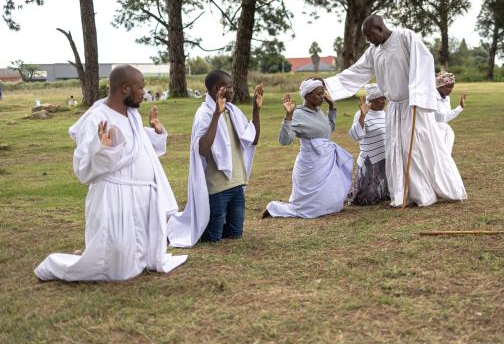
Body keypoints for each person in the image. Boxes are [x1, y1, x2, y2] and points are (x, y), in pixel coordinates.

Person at [34, 65, 187, 281]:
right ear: (125, 88)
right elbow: (83, 168)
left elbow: (136, 144)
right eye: (140, 88)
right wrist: (102, 149)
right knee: (116, 267)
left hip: (142, 195)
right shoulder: (97, 118)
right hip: (115, 195)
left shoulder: (131, 114)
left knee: (139, 254)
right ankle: (57, 266)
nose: (144, 92)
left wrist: (156, 131)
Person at [324, 14, 466, 207]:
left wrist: (418, 95)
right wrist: (327, 85)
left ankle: (427, 192)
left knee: (416, 148)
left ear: (380, 29)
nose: (368, 40)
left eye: (369, 35)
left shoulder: (405, 37)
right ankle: (404, 193)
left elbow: (424, 61)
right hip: (394, 108)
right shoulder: (374, 51)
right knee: (397, 150)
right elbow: (356, 72)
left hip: (414, 105)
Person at [167, 71, 263, 247]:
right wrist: (216, 116)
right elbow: (202, 149)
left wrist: (256, 111)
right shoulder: (204, 114)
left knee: (235, 234)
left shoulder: (233, 111)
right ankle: (195, 226)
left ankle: (208, 223)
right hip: (217, 188)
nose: (233, 90)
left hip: (236, 184)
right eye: (230, 86)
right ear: (218, 89)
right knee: (213, 238)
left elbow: (253, 139)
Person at [264, 78, 353, 219]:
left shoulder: (318, 111)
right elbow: (285, 141)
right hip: (310, 164)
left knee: (329, 203)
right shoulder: (298, 114)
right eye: (318, 94)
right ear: (307, 95)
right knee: (308, 209)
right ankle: (274, 208)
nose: (322, 97)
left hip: (325, 160)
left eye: (323, 93)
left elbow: (328, 130)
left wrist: (332, 107)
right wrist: (288, 115)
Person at [347, 83, 389, 205]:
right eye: (381, 99)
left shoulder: (385, 113)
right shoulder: (361, 114)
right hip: (371, 160)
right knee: (366, 199)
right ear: (372, 100)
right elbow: (356, 135)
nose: (384, 101)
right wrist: (362, 116)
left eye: (384, 98)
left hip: (385, 157)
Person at [435, 72, 466, 155]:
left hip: (445, 134)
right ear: (440, 86)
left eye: (452, 87)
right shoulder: (432, 98)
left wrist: (460, 108)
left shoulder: (447, 98)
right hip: (433, 133)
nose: (450, 89)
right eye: (448, 86)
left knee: (445, 159)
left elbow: (445, 118)